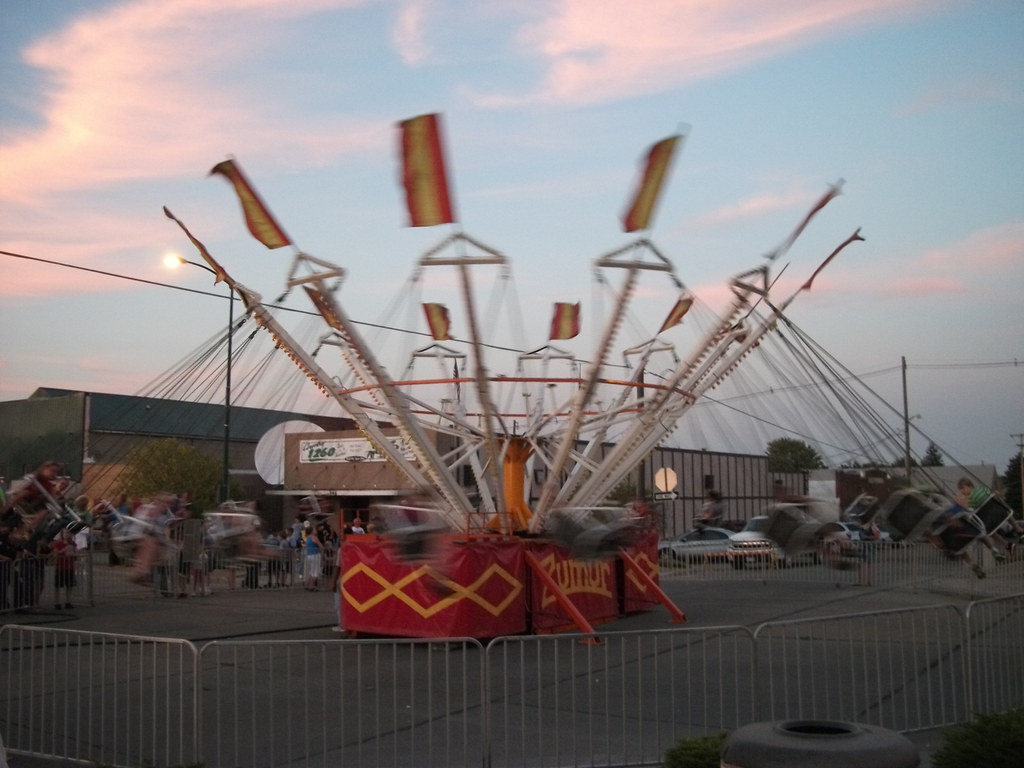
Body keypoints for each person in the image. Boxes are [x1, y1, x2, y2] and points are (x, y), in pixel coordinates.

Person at [51, 527, 77, 609]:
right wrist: (63, 550)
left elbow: (76, 554)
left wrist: (73, 552)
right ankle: (57, 602)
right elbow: (55, 553)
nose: (67, 535)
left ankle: (68, 601)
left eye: (68, 533)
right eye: (65, 533)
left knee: (69, 585)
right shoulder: (58, 543)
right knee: (58, 586)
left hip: (69, 566)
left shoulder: (72, 543)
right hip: (60, 567)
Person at [302, 520, 324, 591]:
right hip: (315, 554)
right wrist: (322, 548)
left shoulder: (307, 538)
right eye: (314, 529)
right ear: (312, 531)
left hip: (309, 555)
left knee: (311, 570)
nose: (315, 530)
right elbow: (320, 545)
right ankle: (312, 586)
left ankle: (307, 585)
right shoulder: (314, 537)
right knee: (315, 571)